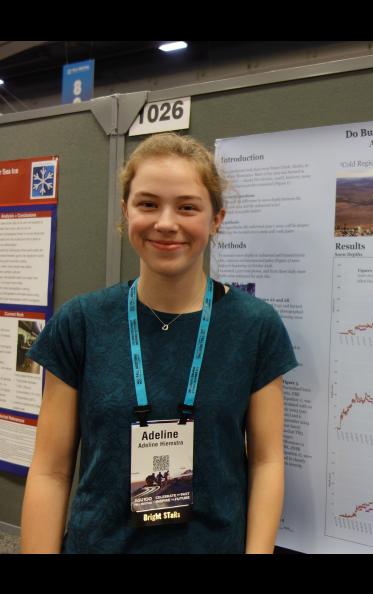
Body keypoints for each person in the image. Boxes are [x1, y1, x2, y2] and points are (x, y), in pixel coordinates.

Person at [20, 133, 298, 554]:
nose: (166, 223)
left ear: (216, 219)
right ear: (125, 212)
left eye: (187, 207)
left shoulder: (255, 326)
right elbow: (50, 471)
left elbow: (267, 461)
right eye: (148, 204)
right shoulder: (81, 322)